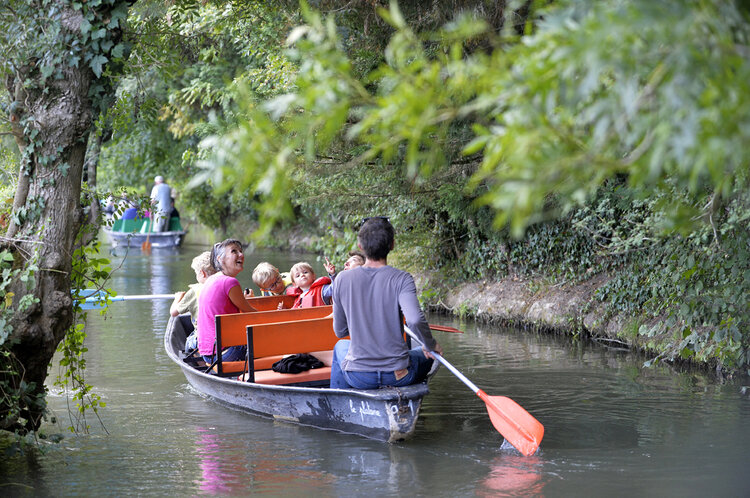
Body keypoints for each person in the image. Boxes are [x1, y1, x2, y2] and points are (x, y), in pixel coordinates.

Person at [330, 217, 442, 389]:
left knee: (340, 345)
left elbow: (340, 331)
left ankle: (341, 400)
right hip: (398, 375)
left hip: (359, 377)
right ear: (392, 245)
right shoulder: (402, 278)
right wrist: (430, 345)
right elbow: (415, 321)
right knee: (428, 353)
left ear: (360, 246)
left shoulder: (341, 279)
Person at [197, 239, 257, 364]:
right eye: (234, 251)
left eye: (241, 251)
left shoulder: (212, 279)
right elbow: (252, 313)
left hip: (208, 353)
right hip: (224, 353)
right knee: (269, 337)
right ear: (220, 259)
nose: (241, 255)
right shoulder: (229, 282)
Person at [170, 251, 216, 352]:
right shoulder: (226, 287)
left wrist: (177, 298)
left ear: (202, 273)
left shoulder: (195, 291)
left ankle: (202, 363)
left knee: (189, 341)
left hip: (204, 340)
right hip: (226, 339)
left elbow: (173, 313)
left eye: (196, 273)